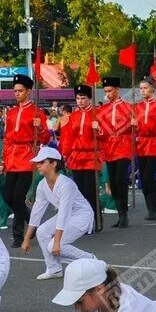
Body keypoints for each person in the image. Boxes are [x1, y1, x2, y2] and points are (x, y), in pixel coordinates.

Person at [22, 146, 98, 281]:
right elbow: (36, 212)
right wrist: (27, 238)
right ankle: (54, 269)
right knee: (42, 232)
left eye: (42, 162)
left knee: (53, 246)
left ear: (54, 164)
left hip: (82, 216)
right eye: (37, 162)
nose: (37, 165)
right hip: (68, 216)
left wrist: (57, 242)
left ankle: (90, 259)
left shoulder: (66, 184)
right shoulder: (42, 185)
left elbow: (63, 213)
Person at [1, 74, 51, 247]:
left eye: (20, 91)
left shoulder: (36, 112)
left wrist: (40, 127)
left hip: (27, 158)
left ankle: (19, 234)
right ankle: (30, 217)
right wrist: (2, 162)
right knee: (8, 197)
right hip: (12, 158)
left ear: (28, 91)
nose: (17, 94)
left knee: (18, 197)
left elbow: (46, 138)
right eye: (15, 91)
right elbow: (6, 139)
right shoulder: (11, 112)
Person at [62, 85, 102, 227]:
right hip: (77, 157)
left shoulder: (98, 114)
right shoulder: (72, 116)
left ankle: (96, 220)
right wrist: (65, 155)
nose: (80, 101)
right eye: (78, 98)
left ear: (89, 98)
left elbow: (106, 136)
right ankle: (84, 222)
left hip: (91, 156)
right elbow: (68, 138)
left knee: (90, 190)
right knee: (79, 192)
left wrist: (99, 129)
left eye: (83, 98)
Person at [97, 77, 135, 228]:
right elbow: (101, 133)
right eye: (106, 91)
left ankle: (124, 214)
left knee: (121, 179)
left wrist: (134, 125)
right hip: (109, 148)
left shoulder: (128, 107)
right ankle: (120, 214)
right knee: (112, 182)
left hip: (123, 146)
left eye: (110, 90)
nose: (108, 94)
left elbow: (135, 128)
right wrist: (97, 129)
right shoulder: (103, 109)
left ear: (117, 90)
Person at [135, 76, 156, 221]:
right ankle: (149, 207)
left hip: (154, 143)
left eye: (145, 88)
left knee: (149, 175)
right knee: (143, 177)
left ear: (152, 89)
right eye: (141, 88)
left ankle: (153, 208)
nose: (143, 91)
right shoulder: (137, 107)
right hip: (141, 144)